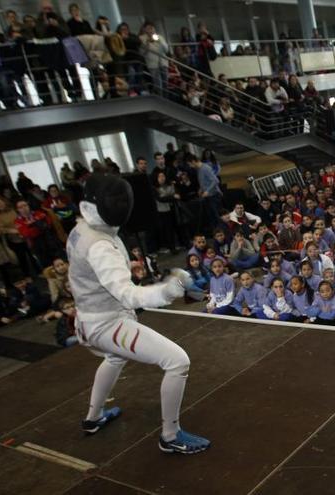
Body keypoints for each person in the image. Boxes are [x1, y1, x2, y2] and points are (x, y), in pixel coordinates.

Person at [67, 174, 210, 454]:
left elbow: (94, 271)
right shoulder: (100, 246)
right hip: (106, 324)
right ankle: (170, 436)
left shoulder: (81, 228)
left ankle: (93, 418)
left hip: (87, 318)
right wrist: (168, 290)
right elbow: (128, 294)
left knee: (114, 357)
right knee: (177, 361)